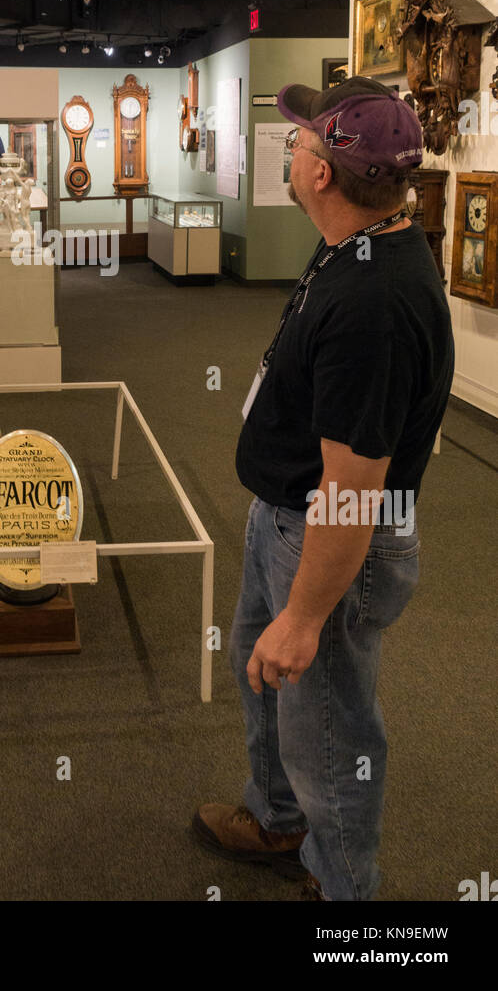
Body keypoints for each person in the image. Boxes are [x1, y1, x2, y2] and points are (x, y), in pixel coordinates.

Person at [193, 76, 454, 901]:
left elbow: (354, 486)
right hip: (285, 517)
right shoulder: (357, 237)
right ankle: (277, 818)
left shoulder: (374, 301)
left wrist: (305, 616)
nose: (293, 146)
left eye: (300, 140)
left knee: (330, 730)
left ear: (319, 173)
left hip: (330, 537)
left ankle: (345, 895)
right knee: (257, 670)